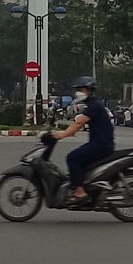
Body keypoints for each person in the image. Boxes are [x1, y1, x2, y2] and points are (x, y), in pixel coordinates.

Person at [48, 75, 116, 205]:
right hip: (99, 143)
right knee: (80, 160)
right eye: (78, 90)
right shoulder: (92, 104)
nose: (78, 93)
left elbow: (78, 124)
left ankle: (80, 192)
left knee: (72, 158)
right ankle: (86, 185)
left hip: (101, 145)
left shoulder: (94, 106)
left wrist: (61, 135)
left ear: (89, 90)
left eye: (81, 89)